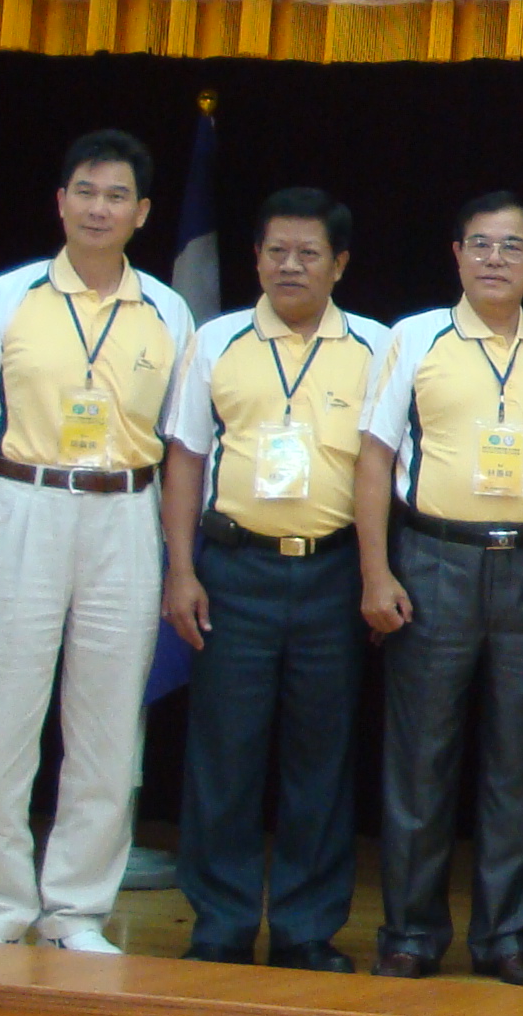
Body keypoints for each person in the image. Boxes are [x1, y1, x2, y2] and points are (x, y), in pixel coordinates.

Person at [0, 129, 193, 953]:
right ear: (60, 201)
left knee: (109, 727)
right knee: (6, 717)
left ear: (142, 213)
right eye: (85, 192)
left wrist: (178, 564)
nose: (98, 209)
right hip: (24, 505)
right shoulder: (3, 299)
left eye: (116, 196)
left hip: (126, 513)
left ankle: (77, 910)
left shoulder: (169, 310)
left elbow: (183, 449)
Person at [358, 192, 523, 987]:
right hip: (434, 560)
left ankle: (507, 935)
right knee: (421, 757)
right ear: (456, 254)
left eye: (512, 246)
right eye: (481, 244)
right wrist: (376, 571)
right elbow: (373, 459)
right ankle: (411, 932)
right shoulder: (414, 336)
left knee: (517, 761)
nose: (495, 259)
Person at [160, 188, 380, 969]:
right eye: (276, 251)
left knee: (321, 758)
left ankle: (305, 928)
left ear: (339, 264)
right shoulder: (215, 340)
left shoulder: (377, 347)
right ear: (255, 258)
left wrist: (376, 574)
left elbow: (386, 468)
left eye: (309, 253)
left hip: (332, 570)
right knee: (225, 754)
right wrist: (180, 569)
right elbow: (185, 458)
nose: (291, 266)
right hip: (234, 568)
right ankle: (219, 924)